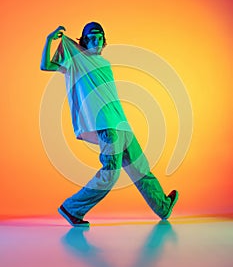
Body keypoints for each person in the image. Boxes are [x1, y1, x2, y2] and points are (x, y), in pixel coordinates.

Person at [40, 22, 179, 227]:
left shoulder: (105, 63)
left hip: (121, 123)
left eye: (99, 37)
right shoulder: (77, 60)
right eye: (91, 37)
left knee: (141, 169)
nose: (96, 40)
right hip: (107, 126)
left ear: (104, 40)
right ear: (84, 41)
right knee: (110, 173)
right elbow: (46, 66)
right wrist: (49, 40)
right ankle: (72, 208)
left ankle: (162, 206)